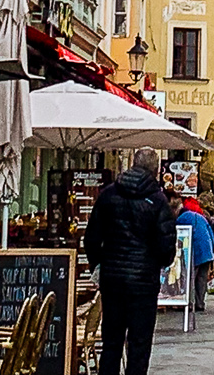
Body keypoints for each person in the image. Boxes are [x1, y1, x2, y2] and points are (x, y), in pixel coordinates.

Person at [83, 146, 177, 375]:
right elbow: (166, 247)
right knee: (139, 343)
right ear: (156, 170)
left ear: (132, 164)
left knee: (111, 342)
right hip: (143, 282)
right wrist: (157, 263)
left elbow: (92, 237)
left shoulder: (109, 194)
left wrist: (99, 265)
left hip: (113, 279)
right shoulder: (158, 200)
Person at [173, 190, 214, 317]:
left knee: (190, 277)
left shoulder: (182, 218)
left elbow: (180, 236)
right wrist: (213, 250)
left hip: (195, 252)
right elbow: (209, 231)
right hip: (207, 250)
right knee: (201, 279)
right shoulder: (199, 216)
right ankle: (200, 303)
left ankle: (189, 302)